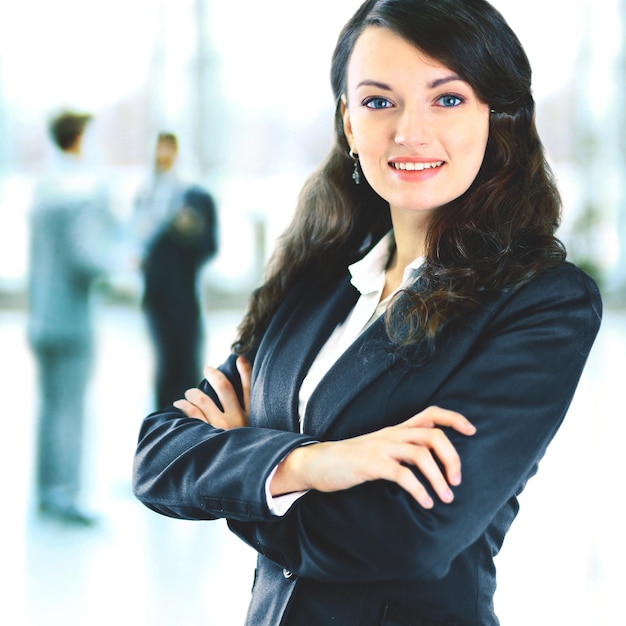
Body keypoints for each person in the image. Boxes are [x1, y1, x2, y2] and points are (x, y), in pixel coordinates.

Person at [133, 1, 602, 624]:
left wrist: (246, 475)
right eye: (380, 101)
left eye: (448, 99)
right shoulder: (319, 280)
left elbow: (411, 538)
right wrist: (315, 464)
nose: (410, 132)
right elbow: (158, 456)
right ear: (349, 124)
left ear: (498, 117)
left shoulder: (541, 304)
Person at [28, 109, 115, 526]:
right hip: (72, 320)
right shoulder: (79, 192)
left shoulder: (44, 189)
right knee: (70, 409)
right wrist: (122, 263)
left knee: (49, 408)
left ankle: (46, 490)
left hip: (42, 317)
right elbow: (88, 258)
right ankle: (66, 494)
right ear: (79, 139)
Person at [133, 132, 218, 409]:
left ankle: (186, 428)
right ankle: (165, 429)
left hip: (183, 293)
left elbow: (208, 244)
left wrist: (188, 231)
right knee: (165, 364)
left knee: (185, 363)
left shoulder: (193, 195)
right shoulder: (145, 195)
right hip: (156, 294)